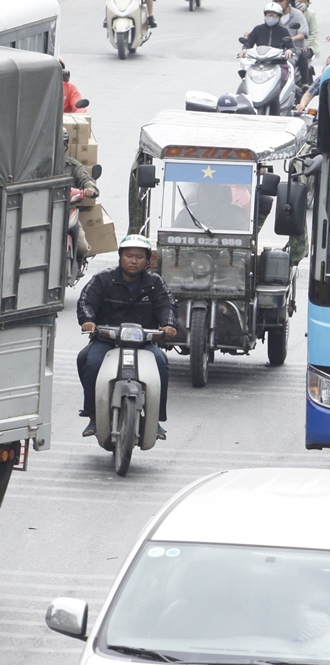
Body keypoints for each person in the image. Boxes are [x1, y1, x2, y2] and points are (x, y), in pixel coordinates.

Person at [77, 235, 177, 439]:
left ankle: (155, 419)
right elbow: (86, 301)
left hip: (144, 342)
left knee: (161, 362)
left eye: (139, 256)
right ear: (120, 257)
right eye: (129, 255)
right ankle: (93, 415)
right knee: (88, 360)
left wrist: (168, 324)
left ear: (147, 260)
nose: (134, 260)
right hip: (107, 340)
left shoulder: (154, 283)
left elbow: (167, 304)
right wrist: (88, 320)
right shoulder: (103, 279)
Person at [64, 129, 98, 264]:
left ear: (65, 145)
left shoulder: (73, 166)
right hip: (40, 209)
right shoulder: (39, 165)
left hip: (66, 210)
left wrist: (89, 188)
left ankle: (77, 265)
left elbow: (86, 179)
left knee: (82, 247)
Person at [171, 182, 251, 232]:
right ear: (198, 195)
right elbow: (172, 238)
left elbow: (244, 240)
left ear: (219, 195)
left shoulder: (233, 215)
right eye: (205, 193)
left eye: (212, 193)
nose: (209, 196)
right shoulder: (185, 214)